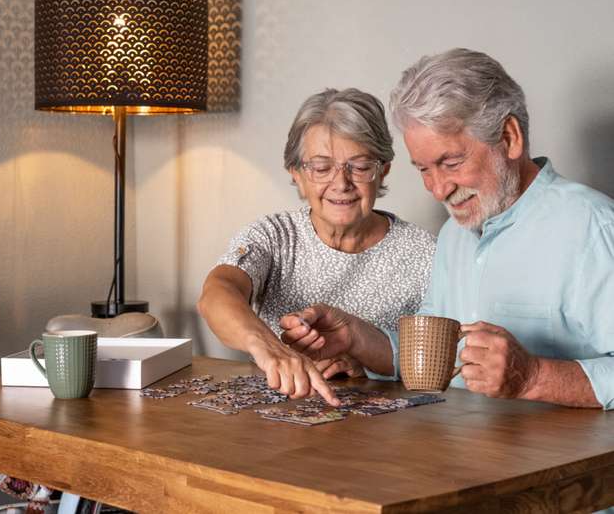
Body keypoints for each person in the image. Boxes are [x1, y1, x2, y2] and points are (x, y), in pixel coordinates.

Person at [281, 49, 614, 410]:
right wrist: (355, 338)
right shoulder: (456, 232)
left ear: (509, 137)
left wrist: (534, 375)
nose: (438, 190)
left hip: (566, 465)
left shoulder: (592, 227)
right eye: (424, 169)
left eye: (451, 162)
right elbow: (434, 360)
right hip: (462, 456)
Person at [197, 88, 436, 406]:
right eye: (321, 168)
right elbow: (217, 293)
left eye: (360, 166)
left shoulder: (426, 252)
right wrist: (273, 350)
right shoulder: (274, 235)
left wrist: (366, 369)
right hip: (273, 425)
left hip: (389, 438)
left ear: (384, 169)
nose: (341, 184)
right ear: (296, 174)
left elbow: (441, 365)